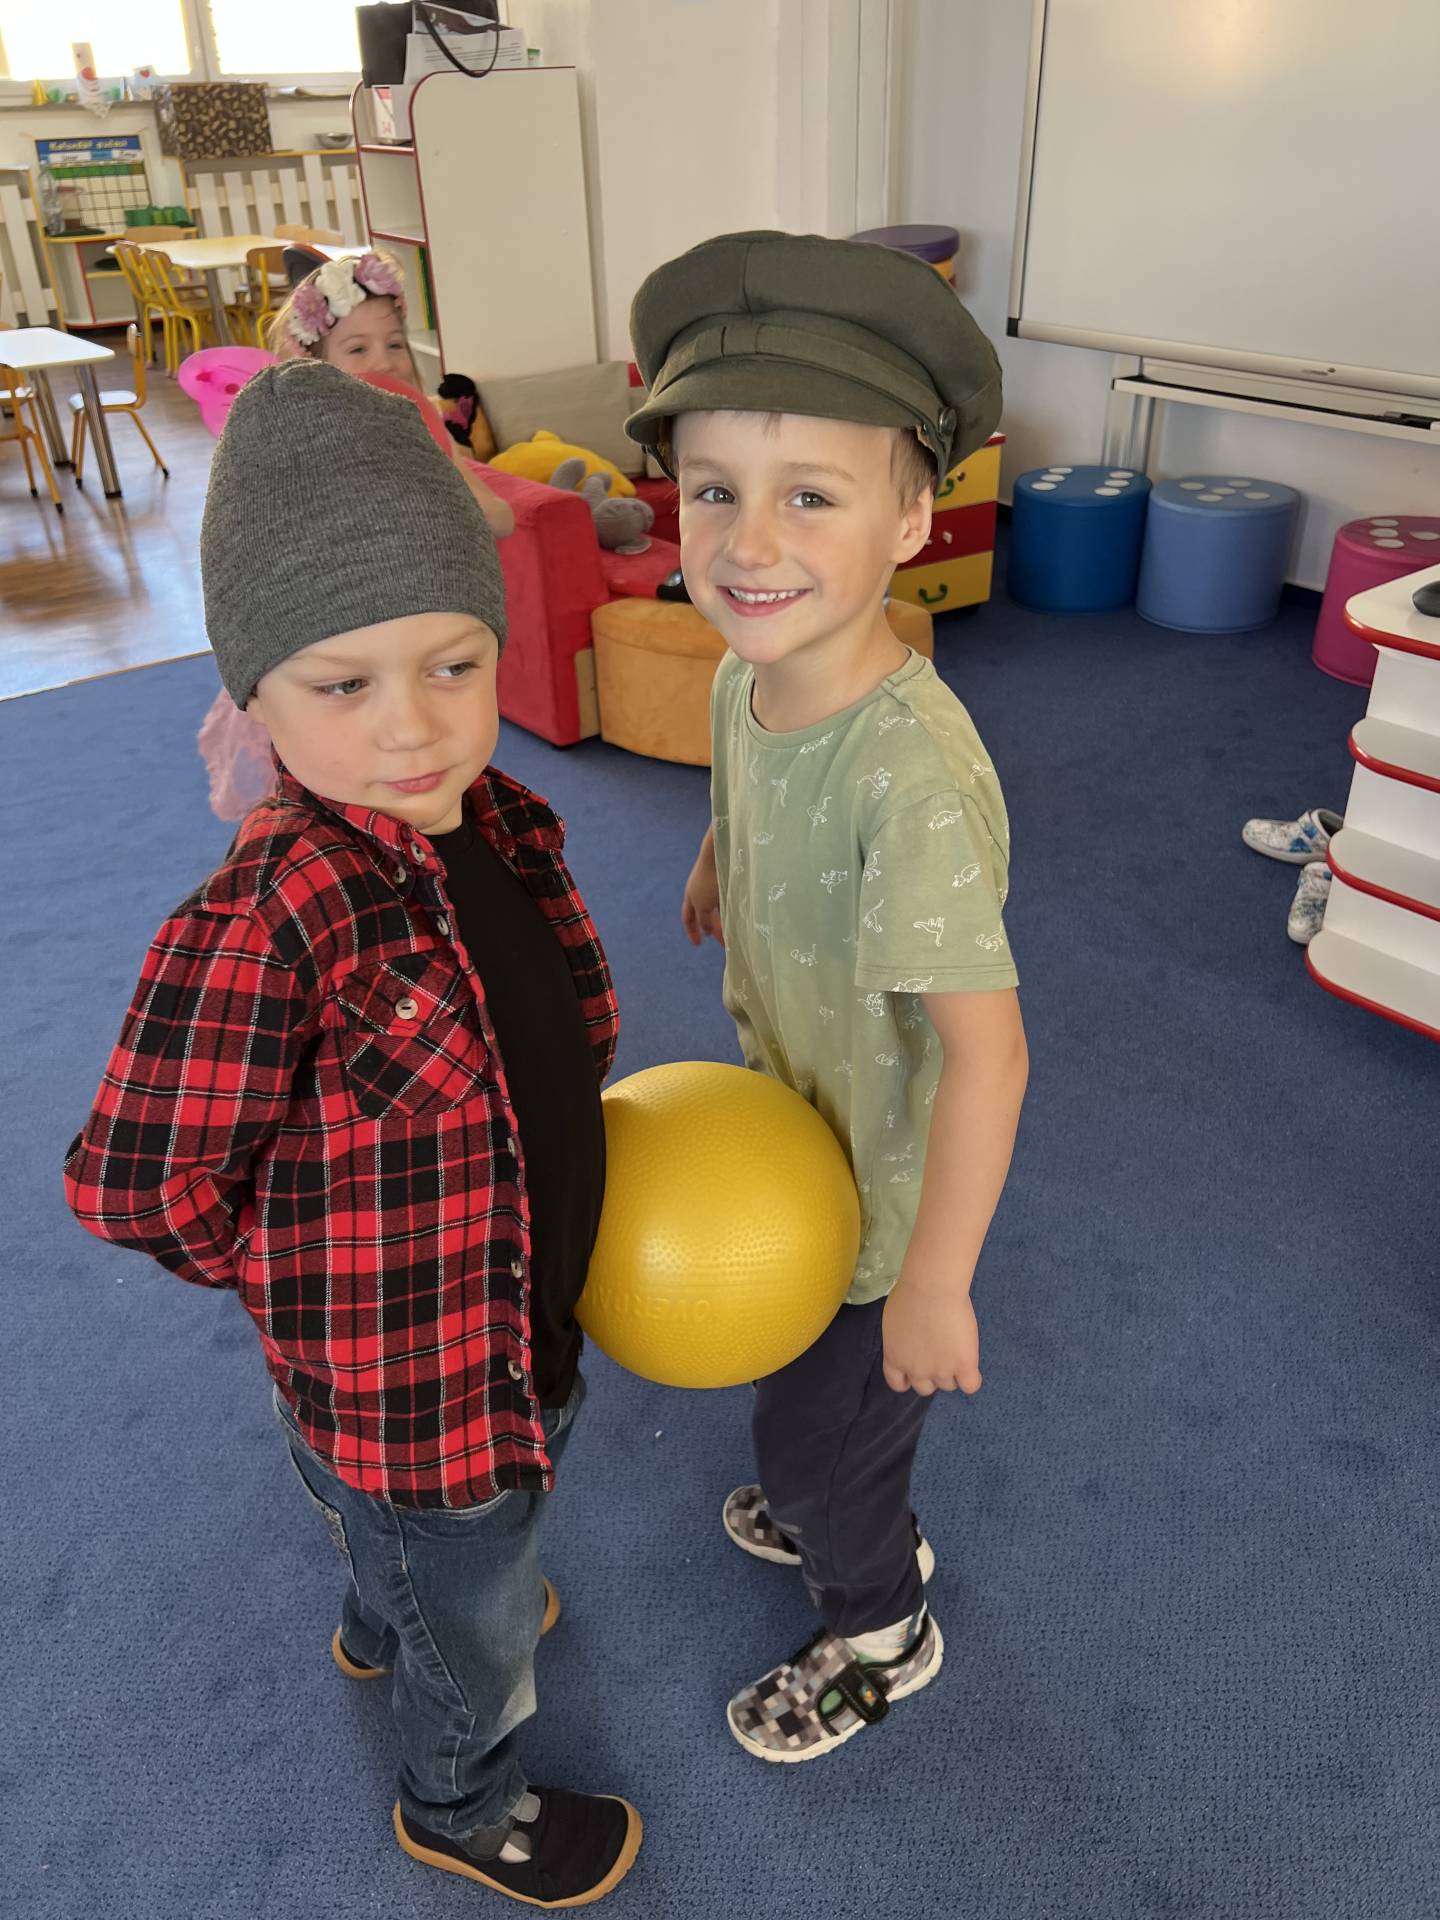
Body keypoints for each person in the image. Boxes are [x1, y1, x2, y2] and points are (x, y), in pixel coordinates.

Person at [64, 363, 641, 1908]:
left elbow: (561, 1030)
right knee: (472, 1603)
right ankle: (462, 1799)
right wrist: (291, 1276)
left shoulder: (505, 825)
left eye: (454, 664)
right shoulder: (272, 916)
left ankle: (402, 1613)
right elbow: (133, 1180)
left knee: (461, 1556)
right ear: (252, 695)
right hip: (408, 1391)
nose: (414, 727)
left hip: (522, 1321)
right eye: (344, 685)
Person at [628, 231, 1030, 1762]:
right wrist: (718, 856)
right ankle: (822, 1495)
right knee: (798, 1394)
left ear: (913, 516)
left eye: (811, 495)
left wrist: (934, 1284)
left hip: (882, 1208)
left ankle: (881, 1625)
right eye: (713, 489)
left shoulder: (909, 783)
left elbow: (990, 1060)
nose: (748, 541)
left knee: (830, 1445)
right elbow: (746, 779)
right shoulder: (750, 670)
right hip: (794, 1135)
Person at [197, 251, 516, 824]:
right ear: (314, 359)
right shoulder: (276, 474)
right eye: (358, 349)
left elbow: (499, 516)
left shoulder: (508, 815)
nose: (412, 731)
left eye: (394, 344)